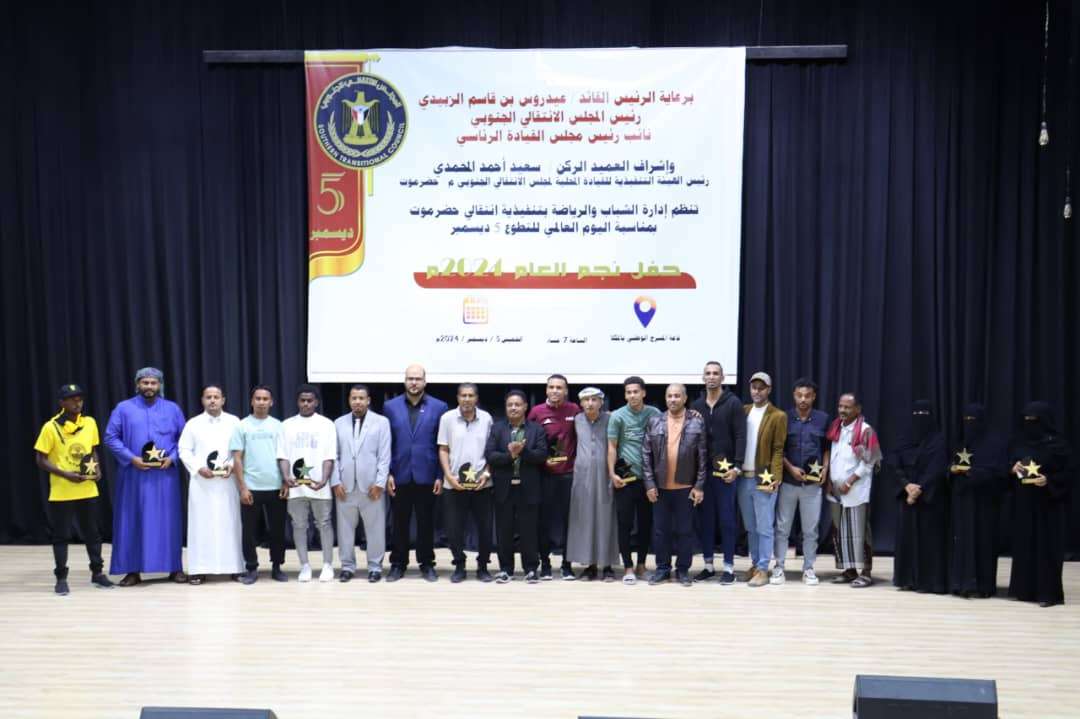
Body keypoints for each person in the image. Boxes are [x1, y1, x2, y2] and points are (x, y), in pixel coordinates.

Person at [104, 367, 187, 586]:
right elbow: (111, 437)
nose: (149, 386)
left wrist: (173, 458)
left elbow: (185, 439)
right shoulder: (124, 408)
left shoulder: (172, 409)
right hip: (134, 476)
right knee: (132, 520)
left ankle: (174, 568)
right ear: (137, 384)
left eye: (153, 383)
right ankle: (132, 570)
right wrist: (131, 458)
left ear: (160, 385)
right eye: (145, 382)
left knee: (168, 521)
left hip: (165, 477)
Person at [33, 384, 113, 594]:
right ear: (62, 403)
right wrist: (65, 474)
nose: (77, 403)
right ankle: (61, 578)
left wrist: (97, 468)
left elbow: (92, 450)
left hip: (87, 487)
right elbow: (41, 459)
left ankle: (97, 573)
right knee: (61, 535)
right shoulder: (50, 427)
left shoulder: (90, 423)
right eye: (72, 399)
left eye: (80, 399)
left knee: (92, 533)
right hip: (63, 489)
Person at [383, 364, 448, 582]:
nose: (413, 382)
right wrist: (388, 473)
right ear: (404, 381)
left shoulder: (439, 407)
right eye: (410, 378)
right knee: (399, 523)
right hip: (399, 474)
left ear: (425, 382)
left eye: (418, 379)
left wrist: (439, 475)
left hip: (427, 475)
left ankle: (427, 564)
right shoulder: (390, 407)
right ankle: (398, 564)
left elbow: (442, 444)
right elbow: (386, 443)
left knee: (426, 523)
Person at [177, 384, 243, 584]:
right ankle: (198, 569)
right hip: (202, 483)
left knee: (230, 523)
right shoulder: (193, 424)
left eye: (216, 397)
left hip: (227, 481)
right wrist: (198, 467)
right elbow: (184, 450)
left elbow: (240, 449)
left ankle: (235, 567)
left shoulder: (234, 422)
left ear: (223, 400)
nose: (212, 400)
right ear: (202, 400)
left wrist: (232, 465)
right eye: (208, 397)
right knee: (201, 524)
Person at [1007, 401, 1071, 607]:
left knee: (1047, 547)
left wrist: (1049, 480)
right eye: (1026, 419)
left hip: (1048, 504)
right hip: (1024, 502)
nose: (1030, 424)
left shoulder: (1058, 445)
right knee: (1024, 544)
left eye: (1034, 420)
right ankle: (1023, 590)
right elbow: (1010, 468)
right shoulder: (1019, 442)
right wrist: (1013, 468)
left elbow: (1069, 473)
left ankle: (1048, 593)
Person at [642, 384, 706, 586]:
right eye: (669, 396)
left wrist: (699, 486)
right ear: (665, 398)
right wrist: (649, 484)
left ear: (685, 399)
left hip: (686, 487)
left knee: (685, 531)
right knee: (661, 531)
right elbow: (646, 455)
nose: (673, 399)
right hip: (660, 487)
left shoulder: (696, 422)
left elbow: (703, 457)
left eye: (677, 396)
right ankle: (662, 569)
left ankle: (683, 570)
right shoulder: (654, 421)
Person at [690, 361, 745, 585]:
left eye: (715, 373)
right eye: (708, 373)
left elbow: (741, 436)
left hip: (726, 473)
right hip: (703, 474)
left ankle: (729, 567)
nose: (711, 377)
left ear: (723, 377)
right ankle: (708, 566)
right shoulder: (696, 405)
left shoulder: (733, 403)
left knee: (727, 521)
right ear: (703, 377)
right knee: (706, 521)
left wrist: (737, 467)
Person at [486, 390, 548, 583]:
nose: (513, 408)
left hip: (528, 488)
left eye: (517, 404)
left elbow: (542, 455)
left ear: (525, 407)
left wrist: (523, 451)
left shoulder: (536, 429)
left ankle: (531, 569)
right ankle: (506, 569)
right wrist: (510, 456)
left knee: (529, 531)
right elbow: (490, 455)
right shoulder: (497, 429)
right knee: (504, 531)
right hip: (504, 488)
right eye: (510, 405)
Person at [277, 384, 337, 582]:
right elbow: (283, 455)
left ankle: (327, 565)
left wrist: (324, 479)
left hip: (319, 485)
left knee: (324, 523)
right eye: (302, 400)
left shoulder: (327, 424)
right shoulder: (286, 425)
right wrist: (286, 476)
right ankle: (304, 565)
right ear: (297, 402)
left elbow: (329, 456)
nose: (306, 404)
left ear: (316, 402)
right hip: (296, 487)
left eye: (309, 400)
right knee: (299, 525)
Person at [773, 377, 830, 586]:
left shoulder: (823, 419)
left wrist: (826, 468)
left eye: (807, 395)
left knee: (810, 530)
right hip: (788, 482)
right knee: (782, 528)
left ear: (814, 397)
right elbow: (778, 449)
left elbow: (827, 448)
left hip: (812, 485)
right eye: (799, 395)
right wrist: (790, 468)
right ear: (794, 396)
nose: (803, 399)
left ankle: (809, 568)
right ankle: (779, 566)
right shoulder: (783, 417)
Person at [332, 384, 391, 583]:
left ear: (368, 400)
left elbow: (384, 456)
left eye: (361, 398)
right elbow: (334, 455)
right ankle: (347, 566)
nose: (357, 402)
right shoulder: (339, 423)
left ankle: (375, 567)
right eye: (354, 398)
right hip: (345, 486)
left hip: (371, 486)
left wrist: (380, 483)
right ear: (349, 400)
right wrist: (335, 481)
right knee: (345, 530)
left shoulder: (381, 422)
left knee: (375, 529)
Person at [437, 383, 495, 583]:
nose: (467, 399)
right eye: (463, 395)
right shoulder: (447, 418)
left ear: (477, 398)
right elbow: (443, 449)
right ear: (458, 397)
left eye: (471, 395)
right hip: (453, 484)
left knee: (485, 529)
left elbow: (492, 451)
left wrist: (486, 474)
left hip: (482, 484)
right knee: (453, 529)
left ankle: (483, 566)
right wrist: (448, 476)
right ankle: (459, 565)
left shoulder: (486, 418)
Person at [890, 399, 949, 594]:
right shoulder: (903, 438)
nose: (920, 418)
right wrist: (906, 485)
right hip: (906, 496)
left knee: (928, 539)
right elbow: (894, 463)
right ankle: (906, 579)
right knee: (906, 538)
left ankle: (928, 581)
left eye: (924, 414)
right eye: (916, 414)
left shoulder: (938, 440)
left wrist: (919, 488)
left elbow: (937, 467)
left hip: (929, 498)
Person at [230, 385, 288, 584]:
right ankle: (251, 568)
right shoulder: (242, 426)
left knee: (278, 530)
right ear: (252, 401)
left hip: (276, 486)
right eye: (258, 398)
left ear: (271, 402)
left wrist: (285, 481)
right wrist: (243, 488)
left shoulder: (278, 426)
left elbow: (284, 455)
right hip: (251, 487)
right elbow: (237, 459)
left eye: (265, 399)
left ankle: (277, 566)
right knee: (249, 531)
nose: (261, 402)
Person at [607, 376, 661, 584]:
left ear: (643, 393)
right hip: (625, 479)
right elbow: (612, 447)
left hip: (648, 480)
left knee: (646, 524)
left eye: (636, 391)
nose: (632, 395)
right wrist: (612, 474)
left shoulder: (654, 414)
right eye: (628, 392)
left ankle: (641, 565)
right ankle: (628, 567)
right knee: (625, 524)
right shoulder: (618, 416)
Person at [949, 403, 1006, 598]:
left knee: (983, 542)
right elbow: (950, 466)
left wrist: (972, 473)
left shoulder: (995, 445)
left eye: (972, 420)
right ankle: (961, 583)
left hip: (985, 502)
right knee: (962, 541)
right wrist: (952, 470)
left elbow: (1000, 472)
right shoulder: (961, 443)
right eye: (966, 420)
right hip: (963, 501)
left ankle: (983, 585)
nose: (969, 424)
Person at [528, 373, 581, 580]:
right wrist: (542, 461)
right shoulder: (536, 412)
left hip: (569, 475)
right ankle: (546, 565)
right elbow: (530, 442)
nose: (555, 391)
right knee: (544, 522)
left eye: (559, 387)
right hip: (545, 476)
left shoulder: (575, 410)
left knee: (570, 522)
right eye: (551, 387)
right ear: (546, 390)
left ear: (566, 391)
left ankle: (567, 565)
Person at [738, 372, 787, 588]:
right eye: (754, 387)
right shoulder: (744, 411)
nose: (757, 391)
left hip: (764, 479)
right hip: (744, 478)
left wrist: (776, 477)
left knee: (764, 527)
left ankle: (764, 568)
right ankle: (756, 564)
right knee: (751, 526)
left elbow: (778, 449)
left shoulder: (777, 416)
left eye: (761, 387)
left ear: (769, 389)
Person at [827, 392, 881, 588]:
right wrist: (830, 481)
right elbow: (834, 457)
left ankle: (866, 572)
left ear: (857, 409)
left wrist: (849, 481)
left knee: (860, 532)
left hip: (855, 490)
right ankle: (849, 571)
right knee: (840, 531)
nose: (842, 410)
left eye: (847, 407)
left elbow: (870, 461)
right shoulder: (836, 428)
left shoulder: (865, 431)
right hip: (836, 490)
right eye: (840, 406)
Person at [565, 387, 619, 581]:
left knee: (606, 518)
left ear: (601, 402)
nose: (590, 403)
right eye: (586, 400)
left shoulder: (610, 419)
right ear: (580, 403)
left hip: (605, 475)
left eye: (594, 399)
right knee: (585, 519)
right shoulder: (577, 420)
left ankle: (608, 565)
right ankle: (590, 565)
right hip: (583, 477)